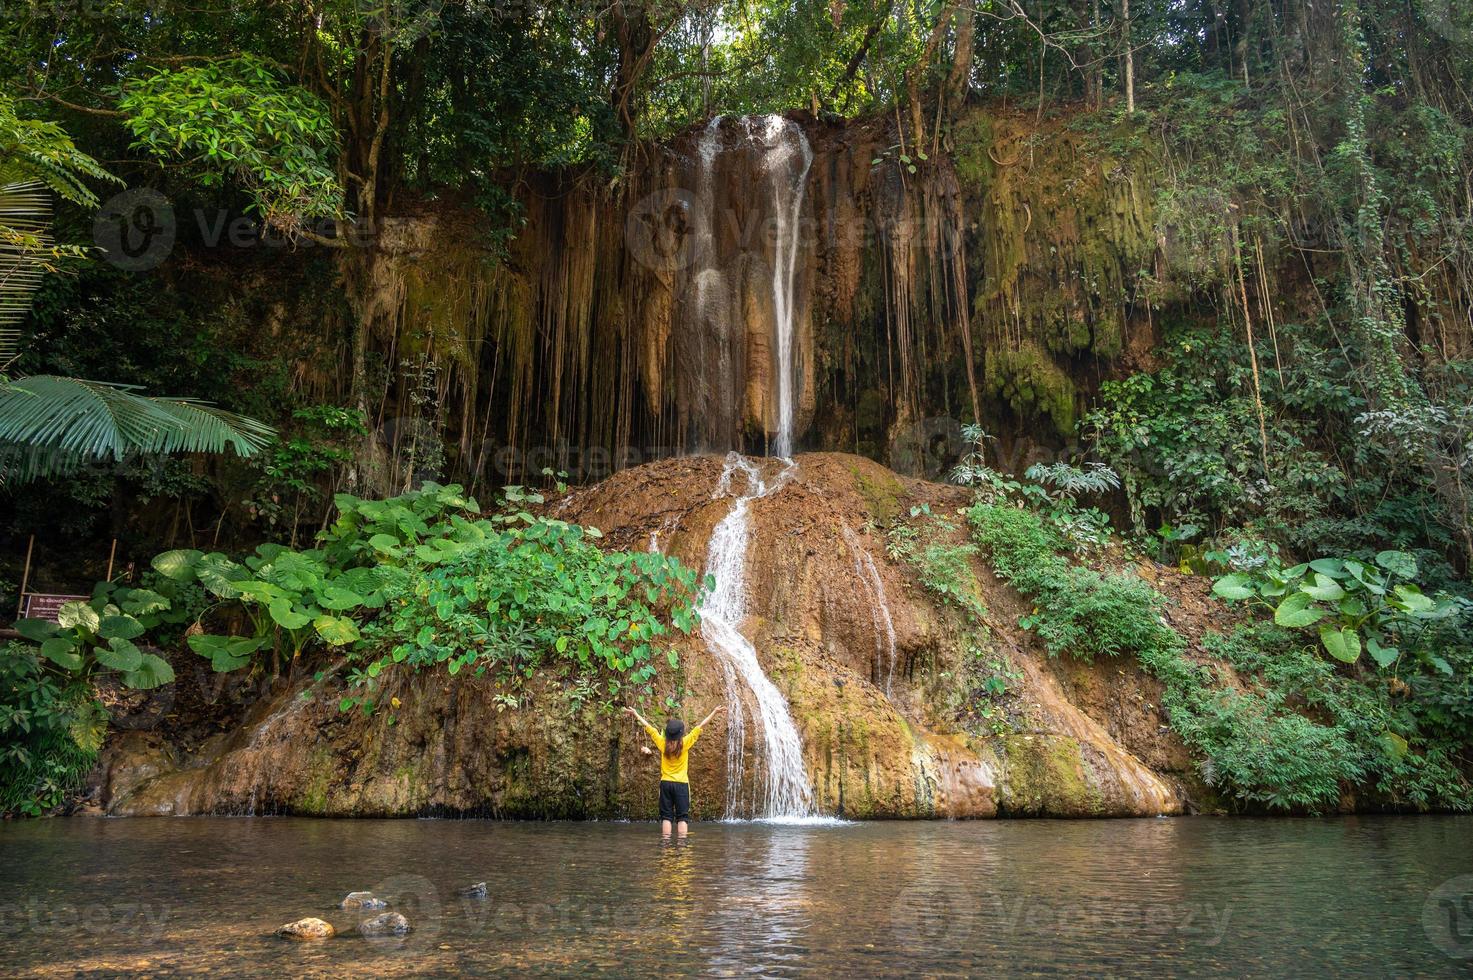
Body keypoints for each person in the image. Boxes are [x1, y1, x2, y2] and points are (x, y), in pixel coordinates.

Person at [623, 704, 725, 839]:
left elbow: (649, 728)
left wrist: (636, 714)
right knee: (682, 818)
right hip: (681, 784)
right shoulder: (686, 743)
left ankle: (666, 848)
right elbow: (701, 726)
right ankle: (682, 849)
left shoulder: (661, 743)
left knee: (666, 817)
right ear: (680, 734)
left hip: (665, 784)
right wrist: (714, 711)